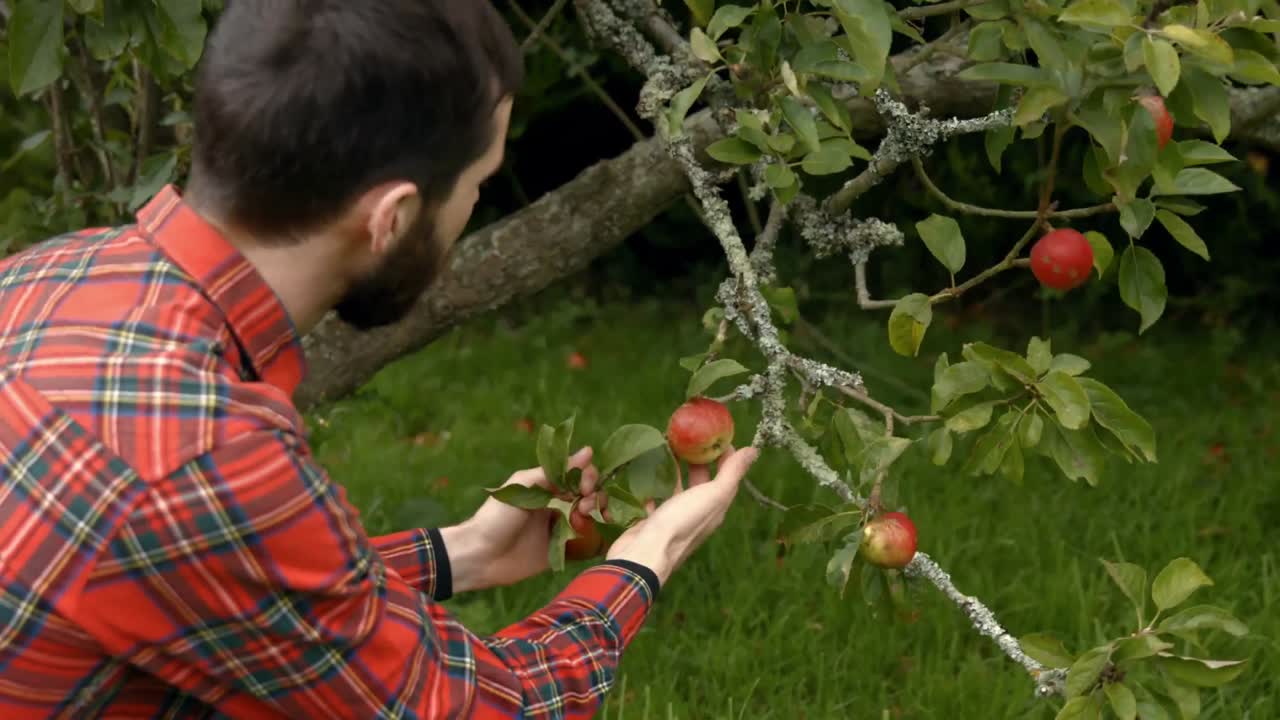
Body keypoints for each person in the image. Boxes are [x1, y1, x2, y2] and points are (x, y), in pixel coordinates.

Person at [0, 2, 760, 718]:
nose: (470, 211)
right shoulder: (202, 454)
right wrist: (643, 559)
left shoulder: (46, 276)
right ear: (392, 217)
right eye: (476, 186)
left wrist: (458, 552)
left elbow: (203, 577)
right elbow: (483, 709)